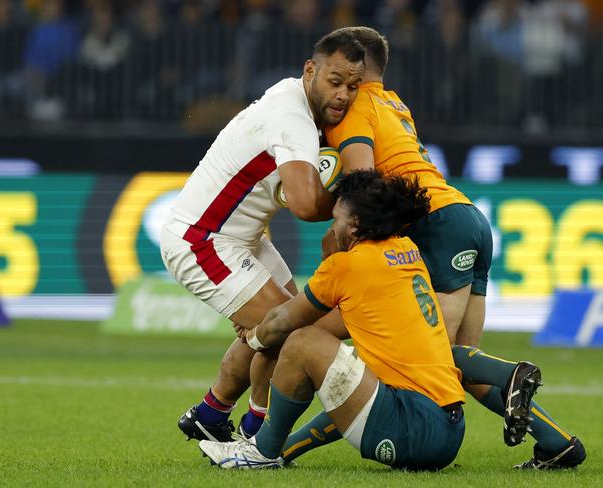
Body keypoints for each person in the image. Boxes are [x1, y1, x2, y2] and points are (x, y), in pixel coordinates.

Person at [311, 26, 584, 469]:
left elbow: (367, 188)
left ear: (358, 72)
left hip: (436, 224)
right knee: (451, 366)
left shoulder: (353, 107)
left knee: (426, 355)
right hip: (466, 217)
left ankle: (510, 374)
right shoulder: (395, 104)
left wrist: (341, 240)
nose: (338, 88)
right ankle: (558, 441)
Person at [161, 29, 365, 443]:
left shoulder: (294, 98)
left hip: (242, 237)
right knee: (292, 332)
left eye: (353, 86)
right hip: (204, 241)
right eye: (335, 81)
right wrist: (355, 201)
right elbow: (307, 205)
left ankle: (211, 414)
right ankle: (255, 436)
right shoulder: (293, 119)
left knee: (287, 324)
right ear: (311, 70)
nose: (344, 94)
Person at [199, 170, 466, 471]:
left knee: (302, 344)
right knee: (347, 365)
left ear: (354, 225)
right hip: (448, 433)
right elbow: (330, 327)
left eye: (336, 218)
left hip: (409, 427)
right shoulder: (405, 249)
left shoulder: (348, 265)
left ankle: (260, 452)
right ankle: (273, 448)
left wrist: (253, 336)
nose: (332, 226)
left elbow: (286, 323)